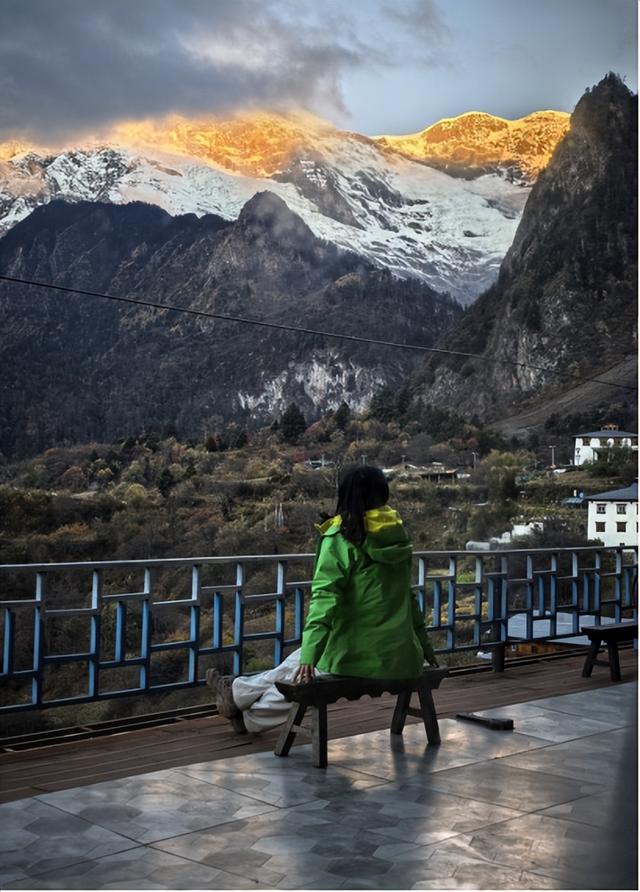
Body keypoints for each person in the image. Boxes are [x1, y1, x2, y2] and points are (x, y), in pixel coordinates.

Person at [207, 464, 438, 734]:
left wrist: (311, 656)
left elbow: (324, 599)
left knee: (304, 668)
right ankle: (237, 694)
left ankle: (246, 710)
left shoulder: (343, 536)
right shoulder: (398, 535)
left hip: (361, 656)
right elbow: (409, 598)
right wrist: (425, 647)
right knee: (300, 661)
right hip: (401, 653)